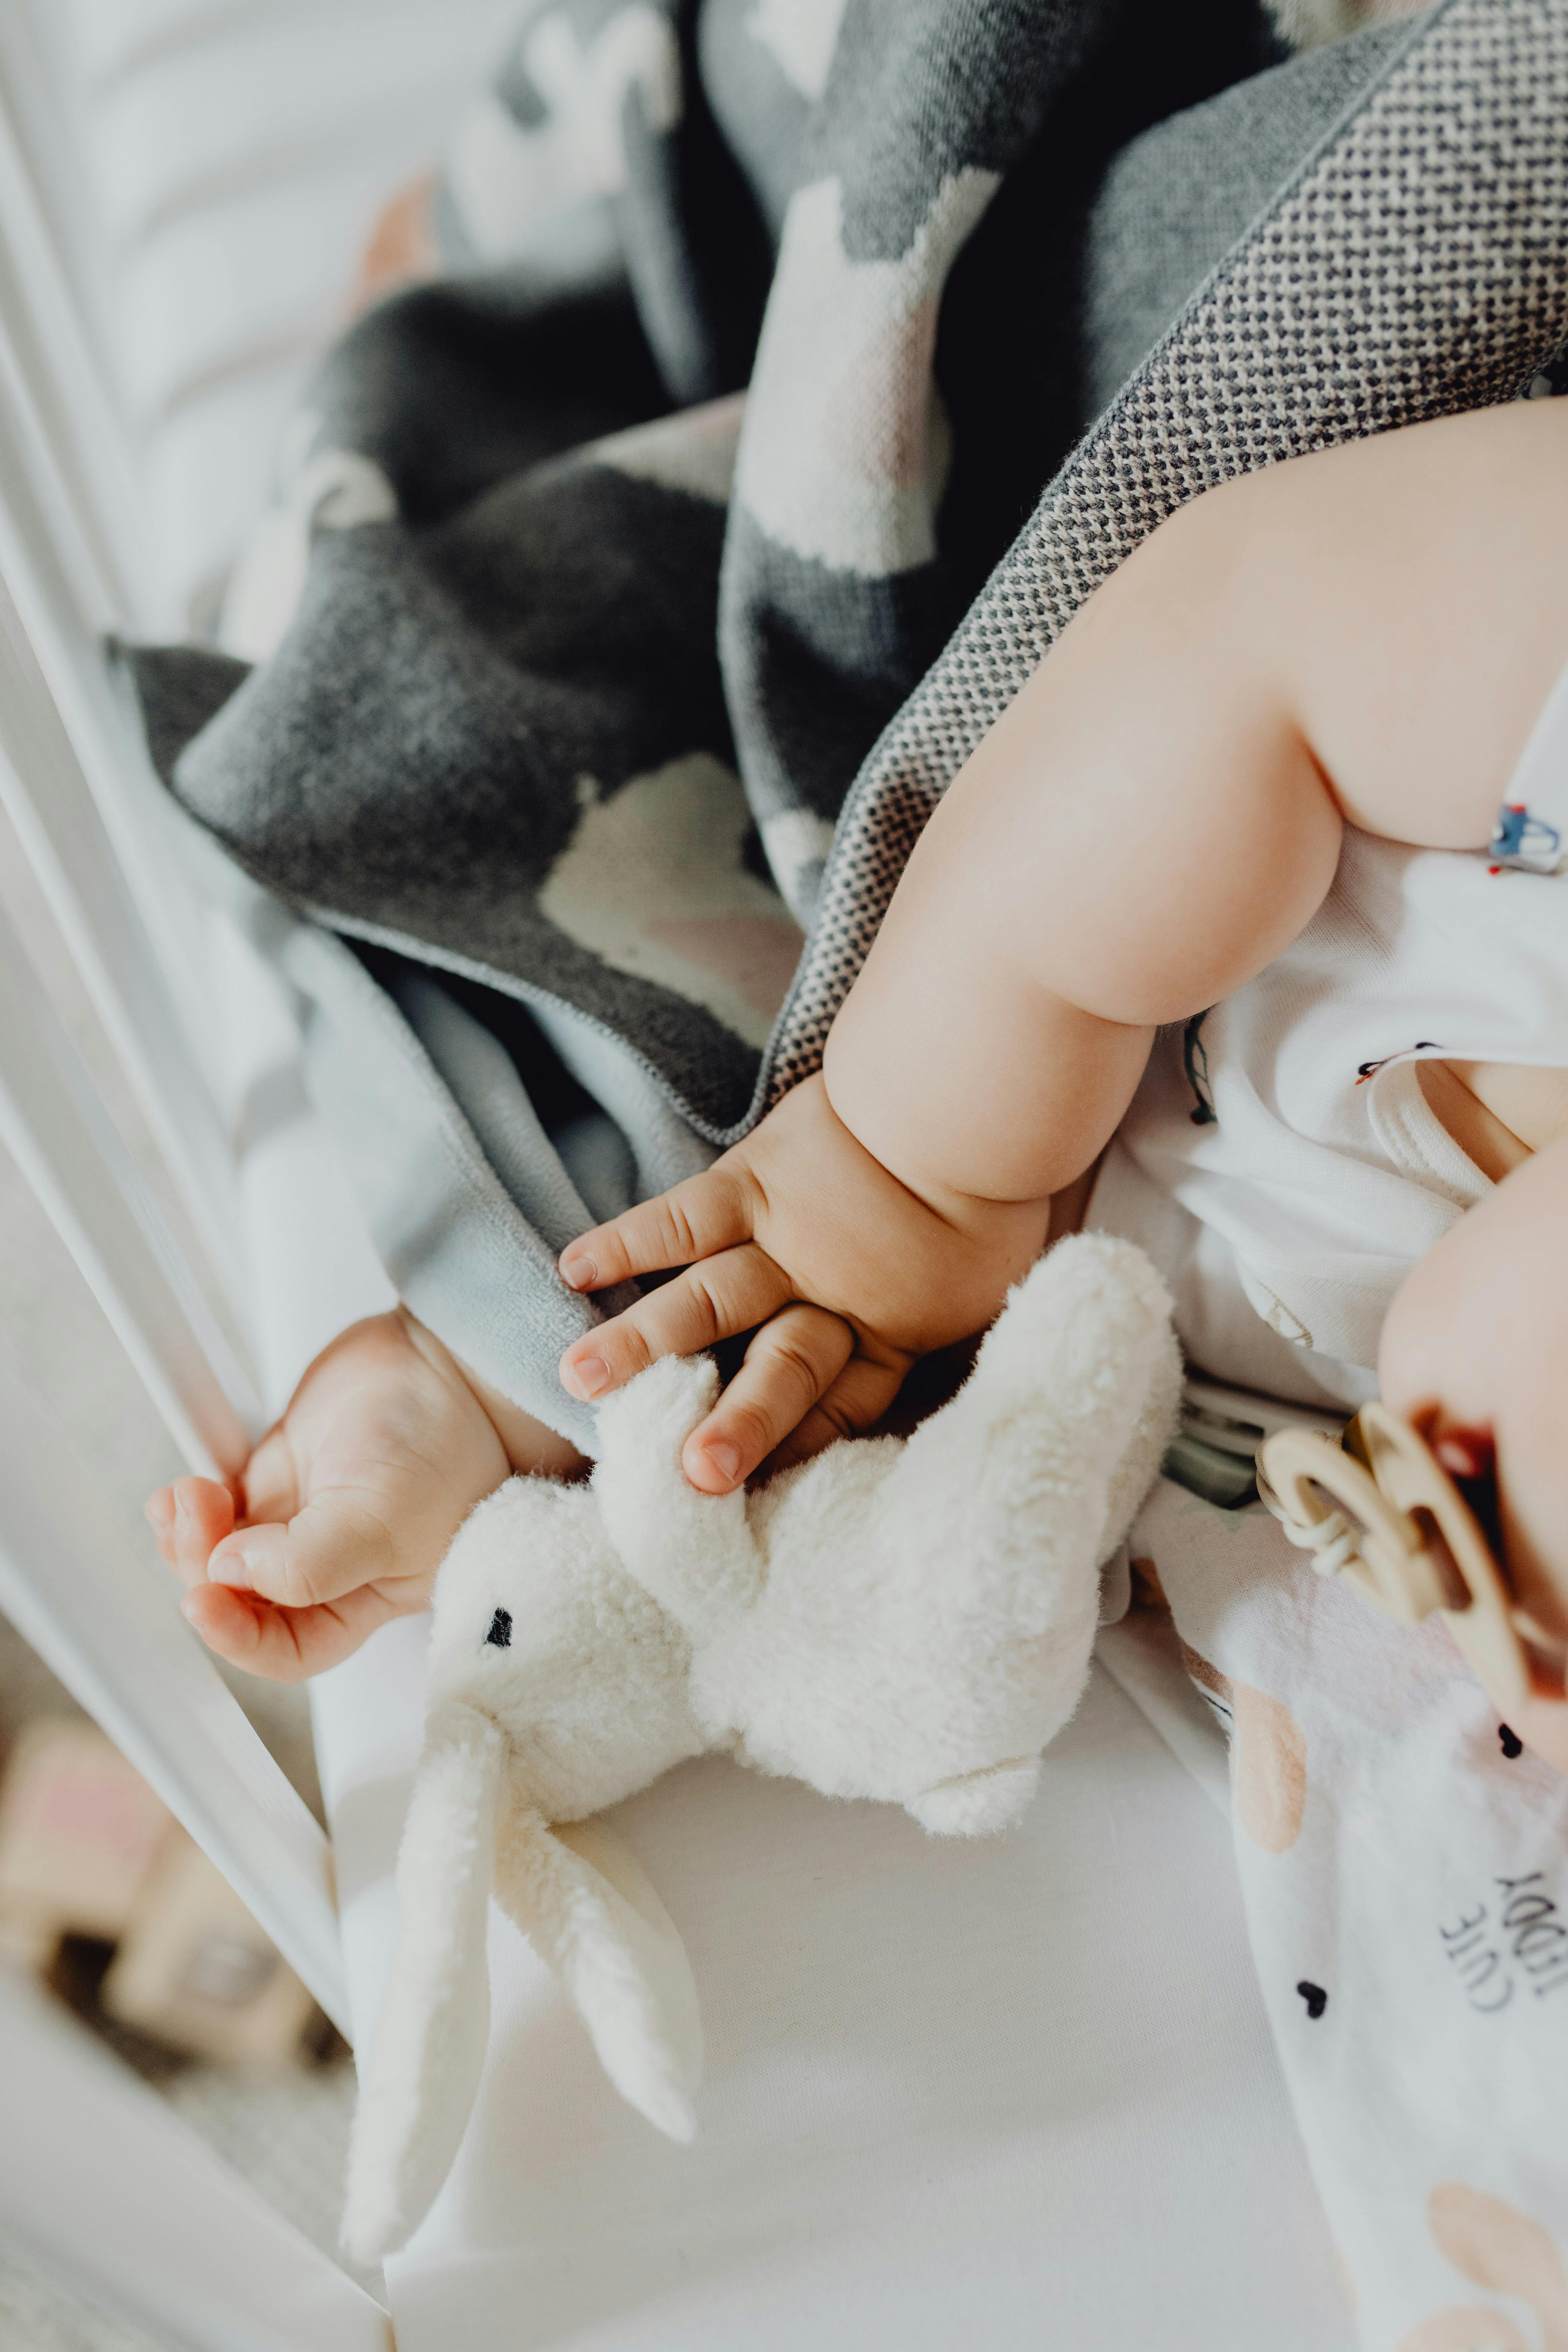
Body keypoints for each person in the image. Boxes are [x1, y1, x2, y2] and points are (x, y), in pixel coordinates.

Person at [146, 397, 1568, 1760]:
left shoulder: (1393, 1346)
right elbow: (1258, 616)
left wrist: (523, 1405)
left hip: (1002, 1161)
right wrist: (913, 1155)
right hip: (992, 702)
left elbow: (932, 1330)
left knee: (727, 1291)